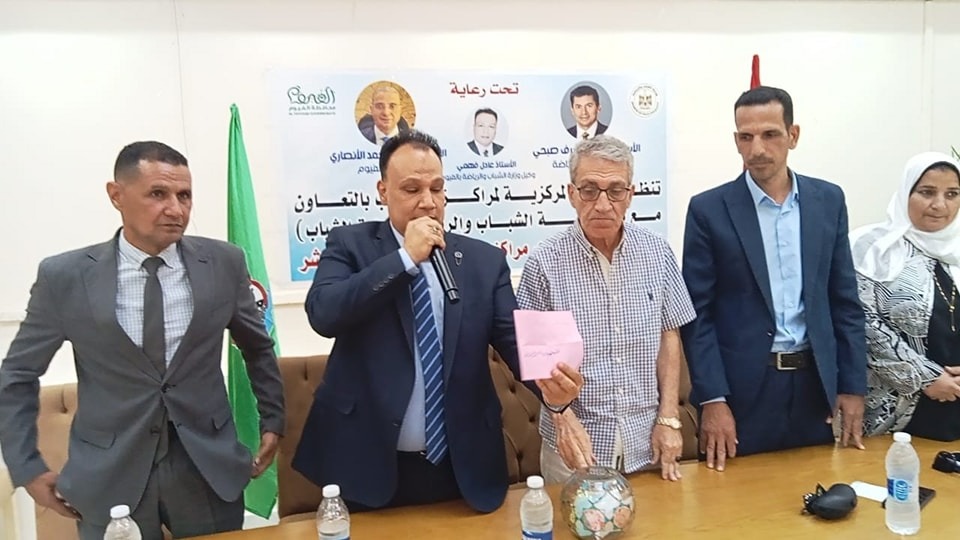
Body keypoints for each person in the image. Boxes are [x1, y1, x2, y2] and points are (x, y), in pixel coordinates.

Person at [0, 141, 285, 540]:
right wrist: (26, 465)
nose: (176, 209)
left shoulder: (224, 263)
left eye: (184, 195)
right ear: (116, 195)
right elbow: (18, 373)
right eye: (158, 194)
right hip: (109, 475)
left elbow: (256, 347)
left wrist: (273, 418)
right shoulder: (65, 277)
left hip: (206, 470)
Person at [292, 130, 583, 513]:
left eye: (437, 188)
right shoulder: (350, 245)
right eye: (412, 189)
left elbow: (514, 345)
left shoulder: (482, 262)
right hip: (368, 461)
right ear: (383, 191)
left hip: (462, 467)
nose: (428, 202)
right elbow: (324, 313)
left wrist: (554, 389)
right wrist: (404, 259)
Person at [680, 86, 866, 472]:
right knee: (736, 499)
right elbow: (698, 316)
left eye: (770, 135)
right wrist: (713, 399)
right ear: (736, 140)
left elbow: (844, 302)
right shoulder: (708, 210)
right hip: (742, 392)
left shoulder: (828, 201)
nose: (757, 149)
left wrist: (852, 385)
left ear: (793, 135)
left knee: (815, 490)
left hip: (814, 386)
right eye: (746, 137)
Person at [516, 135, 695, 483]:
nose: (602, 204)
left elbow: (669, 336)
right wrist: (563, 419)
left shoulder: (657, 253)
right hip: (575, 446)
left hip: (648, 443)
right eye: (589, 190)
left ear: (630, 195)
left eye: (615, 191)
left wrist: (669, 418)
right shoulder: (544, 263)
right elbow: (537, 366)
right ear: (571, 194)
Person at [850, 152, 960, 441]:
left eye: (952, 194)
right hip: (893, 411)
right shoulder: (871, 246)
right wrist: (927, 377)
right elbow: (861, 322)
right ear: (905, 193)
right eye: (927, 192)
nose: (940, 204)